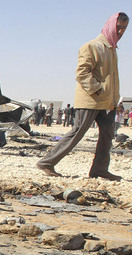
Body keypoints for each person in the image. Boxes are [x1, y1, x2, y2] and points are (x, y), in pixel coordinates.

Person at [37, 12, 128, 181]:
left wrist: (113, 97)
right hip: (91, 99)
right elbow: (82, 73)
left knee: (108, 134)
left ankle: (100, 169)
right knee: (78, 131)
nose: (121, 32)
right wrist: (98, 89)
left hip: (107, 102)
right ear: (110, 26)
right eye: (119, 27)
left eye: (124, 28)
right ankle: (47, 162)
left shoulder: (112, 50)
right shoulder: (92, 46)